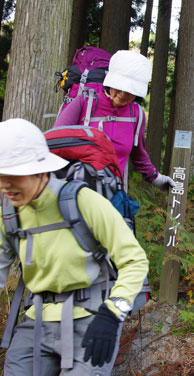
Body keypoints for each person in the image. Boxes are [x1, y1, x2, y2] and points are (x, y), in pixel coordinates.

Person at [0, 118, 149, 375]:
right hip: (35, 322)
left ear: (40, 170)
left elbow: (134, 260)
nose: (5, 185)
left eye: (13, 175)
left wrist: (112, 314)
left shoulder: (82, 201)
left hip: (91, 318)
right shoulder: (9, 213)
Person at [53, 49, 175, 193]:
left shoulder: (136, 114)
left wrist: (157, 179)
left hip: (114, 197)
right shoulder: (85, 102)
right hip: (77, 195)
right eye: (120, 87)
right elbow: (54, 143)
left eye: (130, 91)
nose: (123, 94)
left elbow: (139, 156)